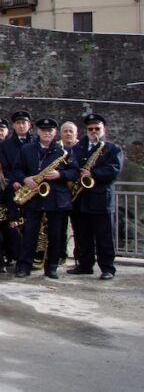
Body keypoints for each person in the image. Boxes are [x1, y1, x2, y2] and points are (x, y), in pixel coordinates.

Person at [14, 118, 78, 279]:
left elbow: (75, 172)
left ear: (55, 132)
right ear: (38, 132)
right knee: (29, 234)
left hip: (56, 199)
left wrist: (60, 174)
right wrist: (25, 179)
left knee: (55, 235)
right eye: (43, 130)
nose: (46, 133)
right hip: (34, 197)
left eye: (50, 130)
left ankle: (52, 267)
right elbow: (17, 169)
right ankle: (24, 266)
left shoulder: (64, 151)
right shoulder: (27, 149)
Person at [68, 114, 124, 280]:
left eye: (97, 128)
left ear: (103, 129)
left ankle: (107, 268)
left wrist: (93, 174)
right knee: (82, 235)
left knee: (104, 236)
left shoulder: (113, 149)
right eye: (90, 129)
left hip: (100, 199)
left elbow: (113, 171)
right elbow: (72, 165)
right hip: (81, 199)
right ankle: (85, 265)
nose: (93, 132)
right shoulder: (78, 148)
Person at [0, 110, 36, 179]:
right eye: (18, 123)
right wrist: (13, 182)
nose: (21, 126)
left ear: (29, 125)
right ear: (13, 125)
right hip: (15, 185)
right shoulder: (4, 145)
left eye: (23, 123)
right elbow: (5, 168)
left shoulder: (37, 142)